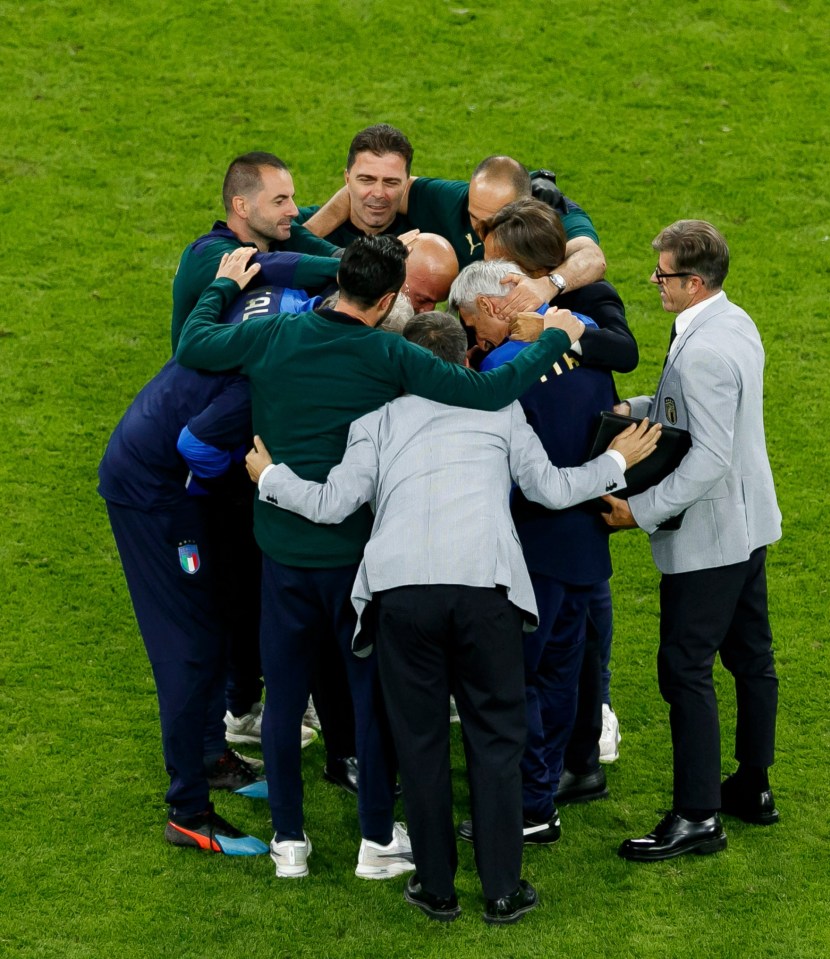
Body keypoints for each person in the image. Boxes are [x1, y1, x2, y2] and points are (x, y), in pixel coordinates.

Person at [175, 235, 589, 880]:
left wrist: (226, 283)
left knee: (283, 703)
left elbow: (194, 342)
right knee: (368, 699)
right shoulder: (391, 352)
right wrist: (553, 340)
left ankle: (290, 844)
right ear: (391, 297)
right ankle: (374, 842)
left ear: (337, 280)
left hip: (281, 551)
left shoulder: (271, 337)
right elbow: (487, 393)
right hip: (355, 561)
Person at [243, 311, 660, 923]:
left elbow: (331, 506)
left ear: (403, 365)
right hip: (484, 594)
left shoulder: (375, 422)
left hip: (401, 596)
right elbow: (548, 490)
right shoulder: (500, 411)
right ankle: (501, 891)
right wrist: (617, 462)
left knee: (420, 742)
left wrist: (270, 477)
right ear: (466, 360)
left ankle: (436, 887)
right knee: (495, 742)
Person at [603, 220, 782, 861]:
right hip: (750, 524)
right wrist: (641, 405)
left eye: (663, 274)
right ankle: (754, 786)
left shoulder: (702, 349)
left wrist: (639, 511)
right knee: (750, 657)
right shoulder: (734, 322)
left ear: (693, 281)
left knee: (684, 667)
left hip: (710, 537)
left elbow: (706, 457)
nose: (655, 281)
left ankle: (698, 815)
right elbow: (704, 408)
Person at [448, 259, 618, 846]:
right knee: (561, 679)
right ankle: (540, 805)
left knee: (512, 684)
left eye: (473, 325)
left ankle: (522, 804)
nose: (475, 339)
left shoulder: (501, 371)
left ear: (493, 307)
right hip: (586, 548)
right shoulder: (591, 343)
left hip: (526, 553)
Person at [480, 197, 639, 802]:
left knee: (560, 658)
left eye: (502, 271)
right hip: (576, 525)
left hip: (558, 527)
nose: (494, 284)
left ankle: (553, 778)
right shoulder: (563, 329)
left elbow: (622, 351)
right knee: (565, 657)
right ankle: (563, 773)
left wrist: (553, 329)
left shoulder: (582, 311)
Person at [98, 359, 270, 857]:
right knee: (185, 647)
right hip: (152, 495)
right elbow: (195, 445)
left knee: (211, 621)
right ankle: (188, 812)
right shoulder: (263, 377)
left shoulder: (280, 323)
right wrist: (230, 481)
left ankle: (211, 755)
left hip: (171, 484)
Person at [308, 153, 606, 314]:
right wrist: (305, 235)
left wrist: (548, 285)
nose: (479, 229)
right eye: (473, 216)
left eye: (492, 221)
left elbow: (592, 258)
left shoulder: (551, 215)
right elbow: (370, 190)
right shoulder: (456, 199)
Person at [170, 151, 342, 352]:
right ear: (242, 206)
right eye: (280, 201)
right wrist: (346, 269)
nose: (293, 211)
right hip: (205, 381)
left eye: (291, 198)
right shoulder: (206, 255)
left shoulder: (279, 231)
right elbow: (264, 268)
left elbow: (331, 239)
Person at [299, 124, 415, 246]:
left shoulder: (426, 232)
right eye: (367, 180)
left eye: (390, 182)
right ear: (347, 179)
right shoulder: (301, 222)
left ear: (407, 184)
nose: (378, 193)